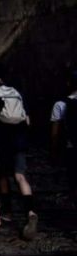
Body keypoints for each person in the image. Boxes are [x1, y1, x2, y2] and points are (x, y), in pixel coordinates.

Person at [0, 62, 37, 239]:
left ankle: (7, 210)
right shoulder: (16, 92)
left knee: (2, 175)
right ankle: (30, 211)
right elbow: (28, 120)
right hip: (19, 138)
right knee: (20, 175)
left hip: (3, 140)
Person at [50, 69, 77, 204]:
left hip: (71, 145)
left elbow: (55, 132)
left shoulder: (60, 104)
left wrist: (54, 151)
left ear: (68, 84)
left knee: (72, 175)